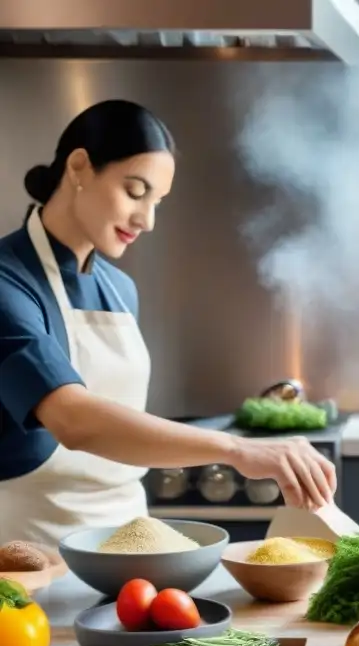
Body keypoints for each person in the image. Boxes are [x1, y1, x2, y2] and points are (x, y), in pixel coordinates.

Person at [0, 99, 336, 547]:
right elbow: (75, 420)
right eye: (135, 191)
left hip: (129, 545)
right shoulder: (7, 281)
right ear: (79, 166)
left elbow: (119, 421)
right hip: (29, 551)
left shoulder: (120, 288)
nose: (147, 220)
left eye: (157, 201)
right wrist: (237, 449)